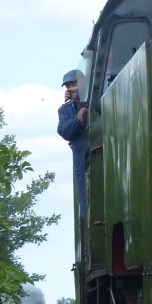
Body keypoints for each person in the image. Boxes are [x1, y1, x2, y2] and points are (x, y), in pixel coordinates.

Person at [57, 69, 88, 218]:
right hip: (80, 160)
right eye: (67, 86)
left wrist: (84, 103)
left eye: (73, 84)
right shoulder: (64, 109)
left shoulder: (91, 98)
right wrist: (78, 117)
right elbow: (64, 131)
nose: (70, 88)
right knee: (85, 200)